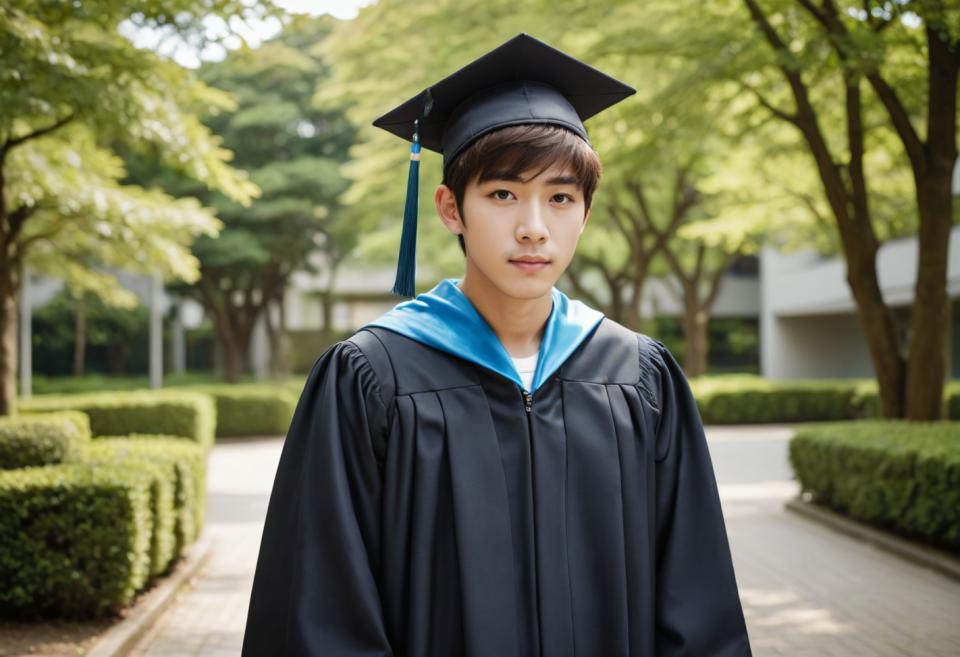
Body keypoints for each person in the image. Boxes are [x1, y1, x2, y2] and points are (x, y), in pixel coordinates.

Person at [241, 33, 753, 657]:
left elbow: (695, 602)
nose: (534, 228)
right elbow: (320, 608)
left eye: (560, 197)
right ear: (451, 208)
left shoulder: (638, 377)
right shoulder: (371, 378)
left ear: (585, 214)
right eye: (503, 194)